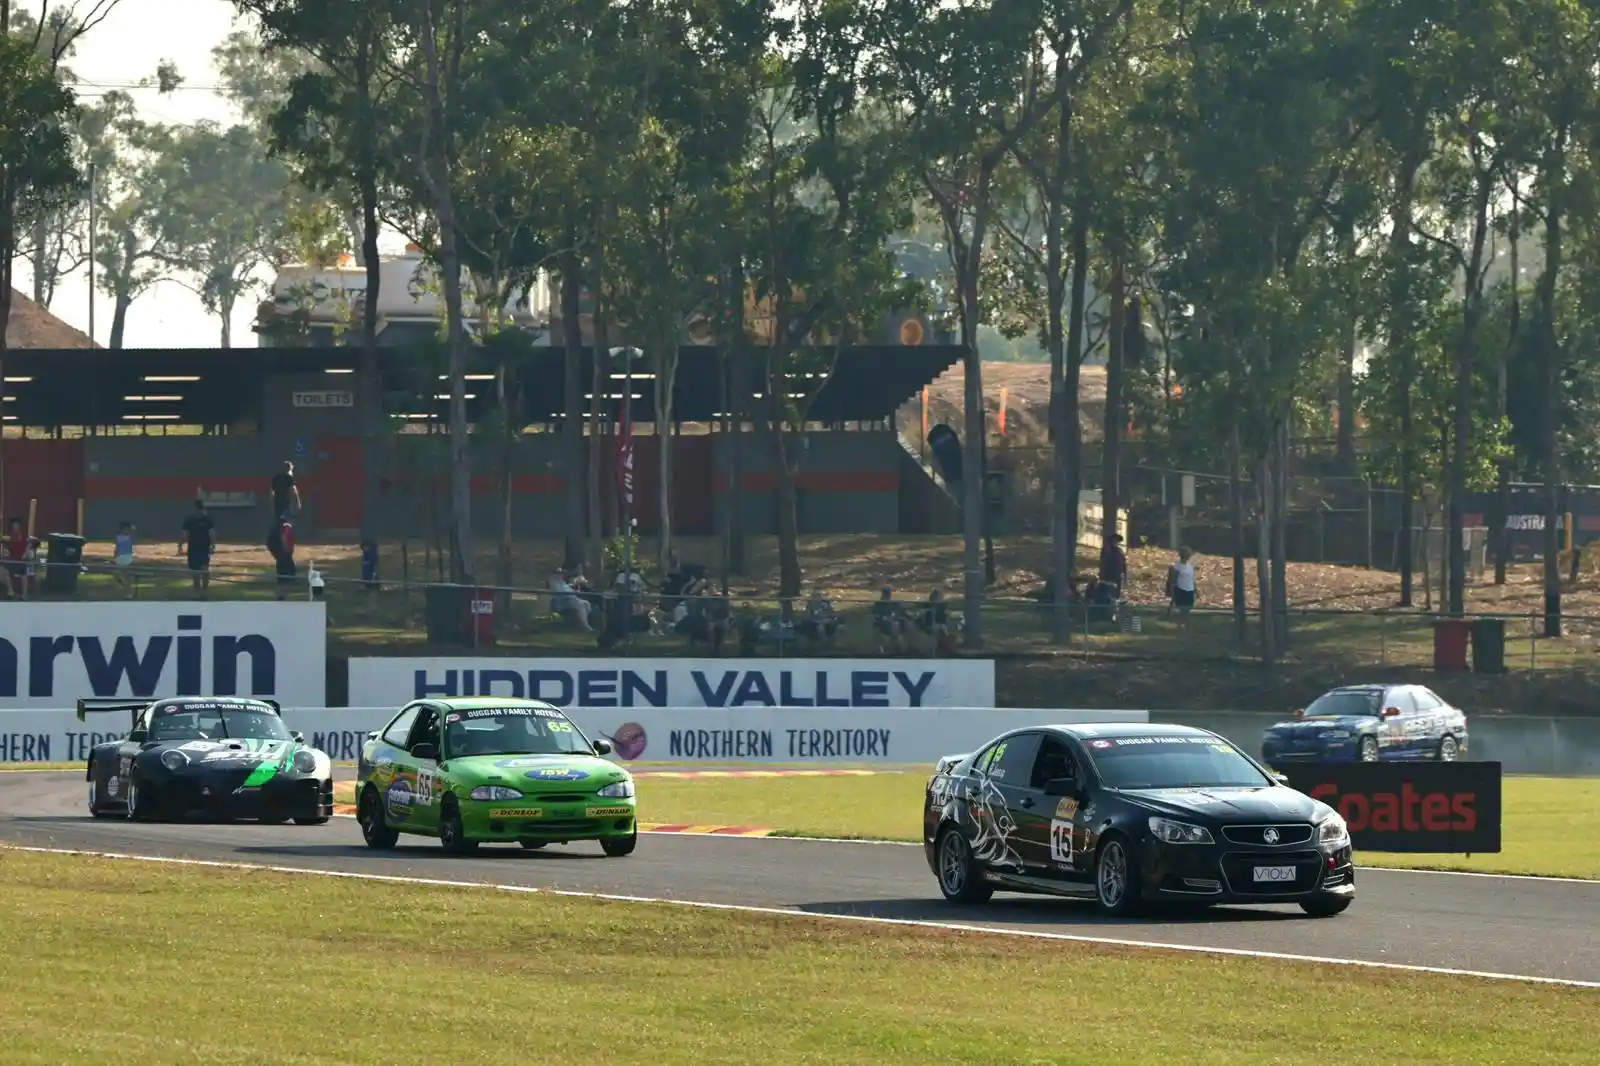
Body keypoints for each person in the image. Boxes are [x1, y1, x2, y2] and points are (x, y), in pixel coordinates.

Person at [178, 501, 214, 596]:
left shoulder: (190, 520)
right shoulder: (207, 520)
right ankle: (204, 590)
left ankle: (198, 592)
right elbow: (212, 533)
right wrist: (213, 545)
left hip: (194, 547)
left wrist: (180, 544)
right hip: (204, 547)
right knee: (204, 568)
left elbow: (184, 534)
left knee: (195, 571)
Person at [266, 515, 296, 600]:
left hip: (279, 554)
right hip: (284, 554)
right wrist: (286, 551)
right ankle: (283, 594)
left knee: (283, 574)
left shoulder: (277, 526)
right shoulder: (286, 527)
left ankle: (281, 594)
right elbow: (284, 538)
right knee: (289, 573)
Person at [1166, 546, 1198, 625]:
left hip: (1189, 589)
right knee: (1182, 608)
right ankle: (1180, 624)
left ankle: (1185, 622)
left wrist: (1195, 589)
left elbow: (1192, 579)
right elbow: (1174, 579)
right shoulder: (1177, 566)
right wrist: (1173, 591)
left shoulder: (1190, 566)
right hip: (1181, 589)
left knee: (1188, 608)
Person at [113, 521, 136, 596]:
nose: (125, 530)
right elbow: (117, 546)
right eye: (124, 529)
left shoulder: (130, 536)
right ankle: (124, 586)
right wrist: (115, 555)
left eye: (127, 529)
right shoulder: (118, 536)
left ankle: (129, 592)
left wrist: (130, 526)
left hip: (127, 556)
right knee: (117, 574)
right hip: (119, 556)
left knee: (127, 574)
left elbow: (134, 529)